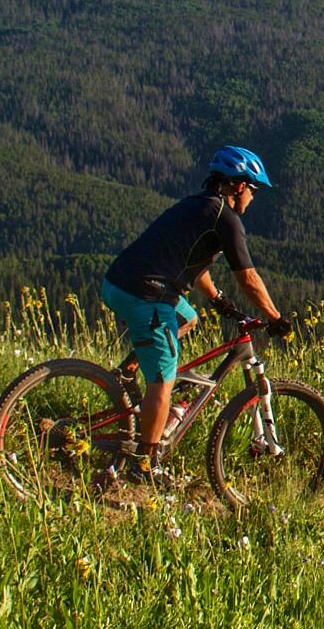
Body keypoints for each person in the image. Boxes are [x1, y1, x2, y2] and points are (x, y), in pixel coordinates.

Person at [97, 144, 290, 485]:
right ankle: (145, 464)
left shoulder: (198, 206)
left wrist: (216, 299)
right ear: (239, 185)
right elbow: (247, 276)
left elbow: (194, 262)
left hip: (119, 282)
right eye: (254, 190)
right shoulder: (226, 219)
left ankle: (128, 371)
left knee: (188, 318)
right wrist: (275, 317)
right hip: (146, 293)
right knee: (163, 378)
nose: (254, 198)